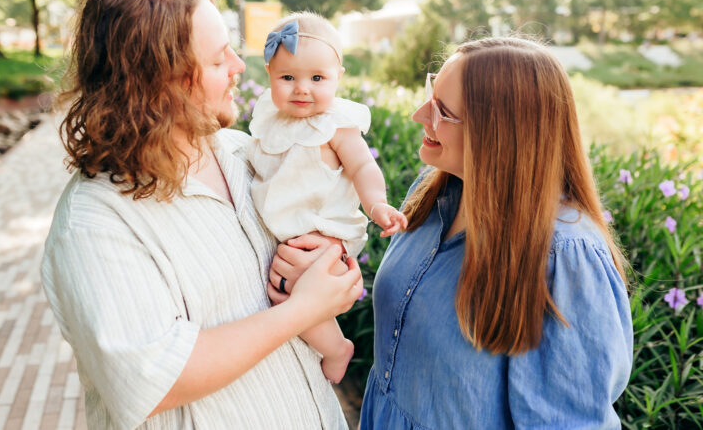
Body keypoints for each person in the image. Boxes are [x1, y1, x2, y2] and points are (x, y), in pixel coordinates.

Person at [40, 0, 363, 430]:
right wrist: (304, 310)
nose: (239, 68)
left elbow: (325, 214)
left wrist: (327, 255)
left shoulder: (245, 153)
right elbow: (154, 380)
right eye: (217, 60)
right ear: (156, 82)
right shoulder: (95, 222)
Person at [270, 37, 634, 428]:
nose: (419, 115)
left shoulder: (565, 255)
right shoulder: (433, 193)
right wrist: (326, 257)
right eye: (431, 94)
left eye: (443, 111)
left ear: (501, 133)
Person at [248, 13, 407, 383]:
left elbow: (363, 168)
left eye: (317, 78)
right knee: (284, 295)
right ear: (270, 73)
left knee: (289, 298)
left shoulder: (336, 124)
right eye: (288, 78)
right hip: (289, 240)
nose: (302, 89)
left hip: (324, 237)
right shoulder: (270, 121)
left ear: (338, 77)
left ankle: (337, 348)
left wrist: (377, 204)